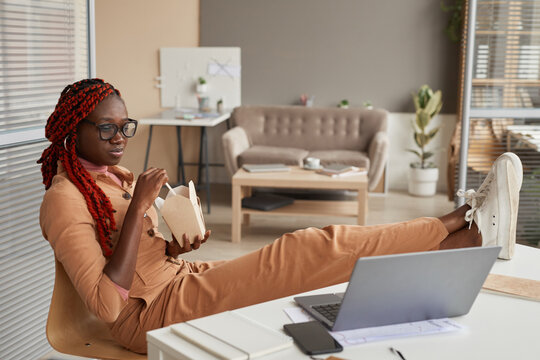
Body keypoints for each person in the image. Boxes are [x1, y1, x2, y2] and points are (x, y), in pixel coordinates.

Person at [39, 79, 522, 354]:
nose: (120, 136)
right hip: (151, 315)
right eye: (107, 127)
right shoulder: (63, 200)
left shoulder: (109, 176)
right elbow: (105, 306)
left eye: (126, 125)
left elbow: (133, 255)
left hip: (178, 280)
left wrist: (171, 245)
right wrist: (142, 208)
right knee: (311, 247)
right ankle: (462, 223)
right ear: (71, 130)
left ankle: (465, 233)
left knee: (310, 267)